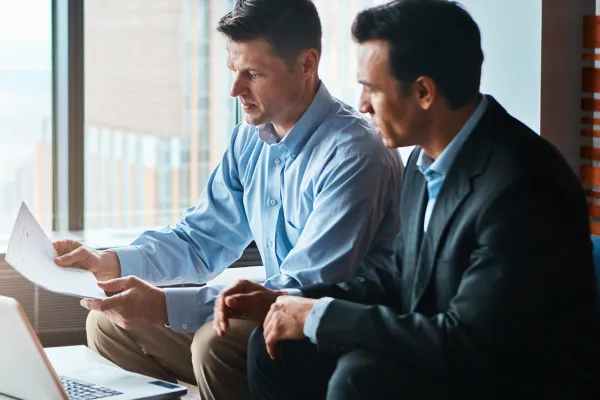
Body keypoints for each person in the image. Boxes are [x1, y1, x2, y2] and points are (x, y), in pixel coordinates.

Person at [215, 0, 600, 398]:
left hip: (508, 376)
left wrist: (320, 317)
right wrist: (291, 300)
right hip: (443, 352)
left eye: (372, 89)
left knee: (360, 377)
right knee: (274, 345)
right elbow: (401, 275)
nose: (361, 105)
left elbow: (471, 341)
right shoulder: (422, 159)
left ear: (423, 92)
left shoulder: (522, 185)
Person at [52, 1, 403, 399]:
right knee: (110, 322)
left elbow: (305, 289)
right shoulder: (249, 139)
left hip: (328, 331)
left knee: (217, 343)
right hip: (273, 313)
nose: (235, 89)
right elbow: (199, 240)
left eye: (252, 74)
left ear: (307, 64)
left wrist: (164, 306)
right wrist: (106, 262)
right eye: (233, 71)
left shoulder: (355, 153)